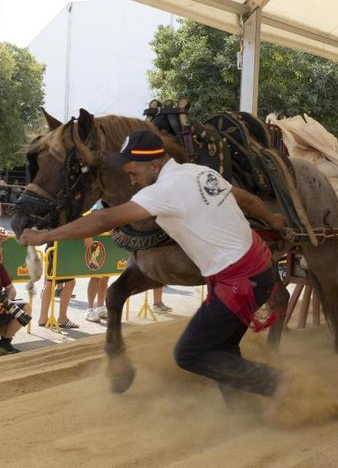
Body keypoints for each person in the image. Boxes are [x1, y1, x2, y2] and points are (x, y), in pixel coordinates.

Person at [19, 130, 287, 404]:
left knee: (189, 354)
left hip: (239, 282)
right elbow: (248, 201)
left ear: (155, 165)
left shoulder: (164, 191)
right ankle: (242, 409)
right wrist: (272, 220)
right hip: (258, 268)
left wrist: (43, 237)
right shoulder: (200, 172)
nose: (131, 179)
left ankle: (282, 385)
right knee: (222, 347)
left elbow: (104, 220)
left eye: (134, 172)